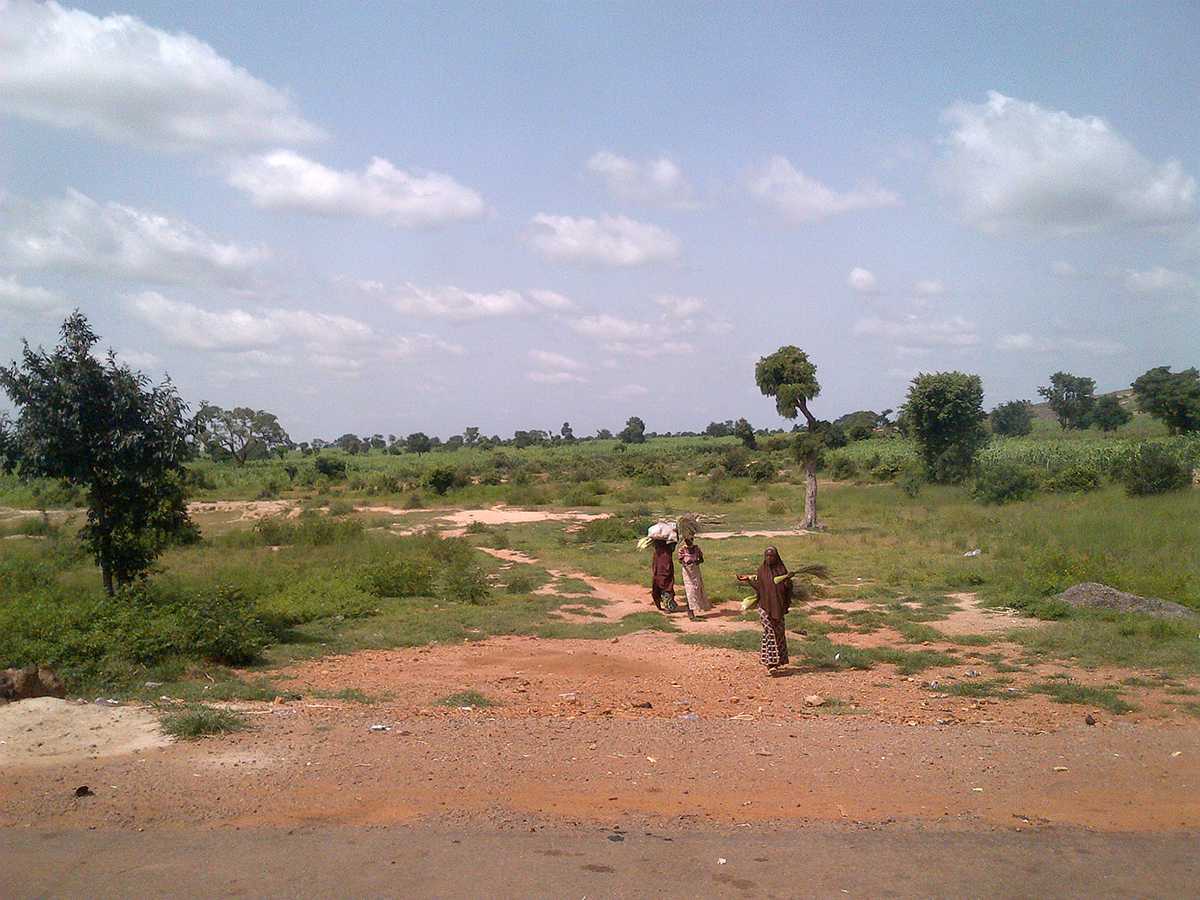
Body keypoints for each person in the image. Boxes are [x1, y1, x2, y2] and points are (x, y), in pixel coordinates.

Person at [737, 546, 793, 675]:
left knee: (779, 633)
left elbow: (787, 591)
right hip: (764, 607)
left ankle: (776, 661)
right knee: (770, 633)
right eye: (767, 556)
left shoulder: (781, 571)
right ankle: (771, 664)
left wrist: (788, 580)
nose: (769, 558)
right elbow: (760, 588)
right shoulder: (761, 571)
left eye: (771, 556)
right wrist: (749, 581)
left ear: (776, 557)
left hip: (778, 608)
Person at [677, 536, 712, 621]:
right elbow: (680, 560)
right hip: (687, 573)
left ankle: (696, 609)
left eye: (690, 540)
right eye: (687, 540)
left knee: (697, 589)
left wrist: (695, 561)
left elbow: (701, 560)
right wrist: (686, 563)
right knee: (690, 591)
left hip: (696, 572)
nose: (689, 541)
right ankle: (690, 613)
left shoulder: (696, 548)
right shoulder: (682, 549)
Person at [650, 538, 678, 612]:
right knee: (667, 584)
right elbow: (673, 546)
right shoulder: (669, 546)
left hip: (658, 563)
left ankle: (660, 605)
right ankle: (667, 606)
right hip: (666, 563)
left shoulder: (657, 549)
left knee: (657, 583)